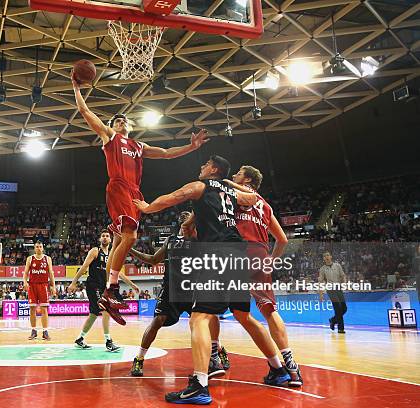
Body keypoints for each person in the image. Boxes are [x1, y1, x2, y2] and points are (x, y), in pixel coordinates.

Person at [134, 155, 291, 404]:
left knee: (199, 319)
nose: (201, 167)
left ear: (214, 169)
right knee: (244, 315)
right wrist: (231, 184)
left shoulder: (200, 186)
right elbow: (253, 198)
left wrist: (146, 208)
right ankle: (278, 369)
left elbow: (173, 197)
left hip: (218, 254)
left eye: (205, 164)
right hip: (239, 255)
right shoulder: (231, 193)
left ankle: (199, 385)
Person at [73, 74, 208, 324]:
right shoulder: (110, 138)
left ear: (130, 125)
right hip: (119, 187)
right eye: (117, 120)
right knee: (131, 236)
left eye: (124, 119)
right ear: (113, 126)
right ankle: (111, 290)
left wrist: (191, 148)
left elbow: (167, 153)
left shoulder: (138, 145)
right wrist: (76, 87)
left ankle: (107, 292)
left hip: (135, 191)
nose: (121, 121)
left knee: (119, 241)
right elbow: (84, 110)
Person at [220, 166, 303, 386]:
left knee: (210, 309)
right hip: (260, 254)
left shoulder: (238, 195)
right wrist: (270, 262)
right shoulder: (266, 206)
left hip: (239, 253)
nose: (234, 175)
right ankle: (290, 365)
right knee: (269, 309)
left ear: (246, 179)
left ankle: (211, 358)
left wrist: (224, 183)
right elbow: (282, 240)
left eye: (238, 173)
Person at [128, 211, 229, 378]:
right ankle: (139, 358)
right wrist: (129, 250)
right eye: (182, 215)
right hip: (170, 289)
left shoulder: (198, 237)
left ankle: (217, 351)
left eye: (188, 215)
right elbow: (153, 259)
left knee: (206, 322)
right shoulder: (171, 240)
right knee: (157, 321)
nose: (184, 215)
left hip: (193, 289)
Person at [68, 230, 139, 350]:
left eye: (107, 236)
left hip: (103, 287)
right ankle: (108, 341)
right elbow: (84, 266)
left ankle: (80, 338)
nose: (105, 238)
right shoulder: (95, 251)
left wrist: (132, 285)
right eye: (103, 236)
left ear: (111, 240)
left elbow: (119, 273)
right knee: (106, 309)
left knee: (94, 314)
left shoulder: (112, 255)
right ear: (100, 239)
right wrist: (73, 282)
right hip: (93, 285)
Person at [23, 241, 57, 340]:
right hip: (32, 285)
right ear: (34, 248)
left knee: (44, 309)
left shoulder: (47, 259)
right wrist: (25, 282)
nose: (38, 248)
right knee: (32, 309)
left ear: (43, 248)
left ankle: (45, 331)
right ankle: (33, 331)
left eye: (40, 246)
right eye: (37, 247)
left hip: (44, 285)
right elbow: (25, 272)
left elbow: (51, 273)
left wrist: (53, 286)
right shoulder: (30, 259)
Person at [319, 252, 348, 333]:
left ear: (331, 256)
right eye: (324, 256)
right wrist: (321, 294)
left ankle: (333, 320)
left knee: (344, 308)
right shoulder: (322, 269)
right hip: (330, 289)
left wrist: (344, 283)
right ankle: (340, 328)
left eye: (328, 255)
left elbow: (343, 276)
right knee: (337, 307)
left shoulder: (337, 265)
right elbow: (321, 282)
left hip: (338, 288)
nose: (326, 257)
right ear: (323, 259)